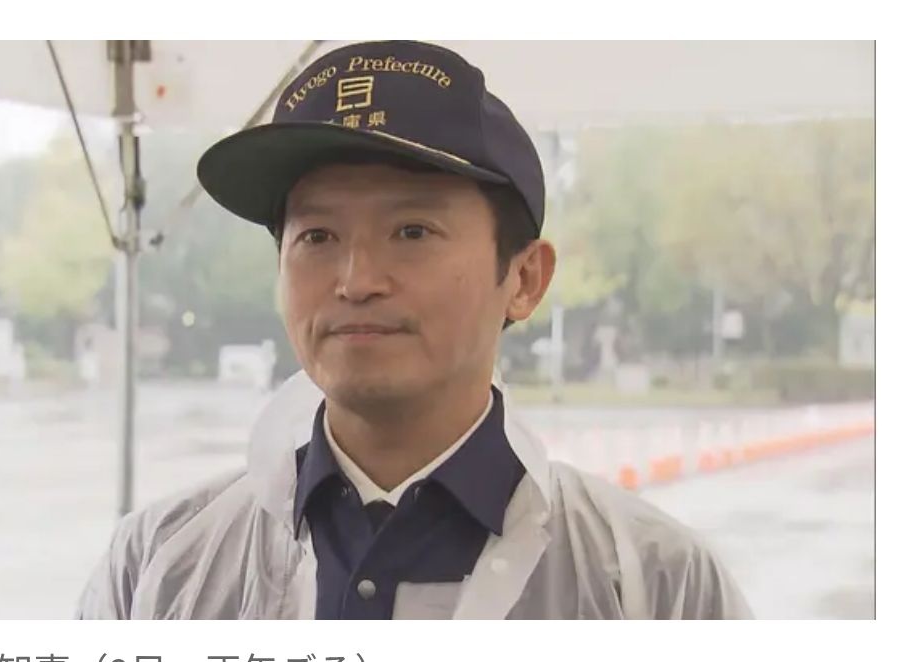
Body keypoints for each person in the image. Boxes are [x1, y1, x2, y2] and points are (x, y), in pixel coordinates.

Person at [76, 40, 751, 620]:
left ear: (524, 279)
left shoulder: (654, 586)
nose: (356, 280)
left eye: (412, 231)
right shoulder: (158, 566)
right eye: (317, 235)